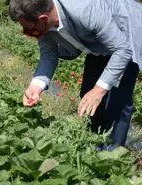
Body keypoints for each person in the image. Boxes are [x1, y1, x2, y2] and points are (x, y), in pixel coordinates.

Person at [8, 0, 142, 151]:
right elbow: (48, 56)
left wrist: (99, 90)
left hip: (128, 33)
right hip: (99, 41)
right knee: (88, 93)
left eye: (29, 28)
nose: (29, 33)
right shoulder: (42, 24)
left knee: (116, 101)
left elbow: (122, 50)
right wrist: (36, 86)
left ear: (43, 19)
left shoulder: (86, 9)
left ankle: (112, 157)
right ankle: (94, 145)